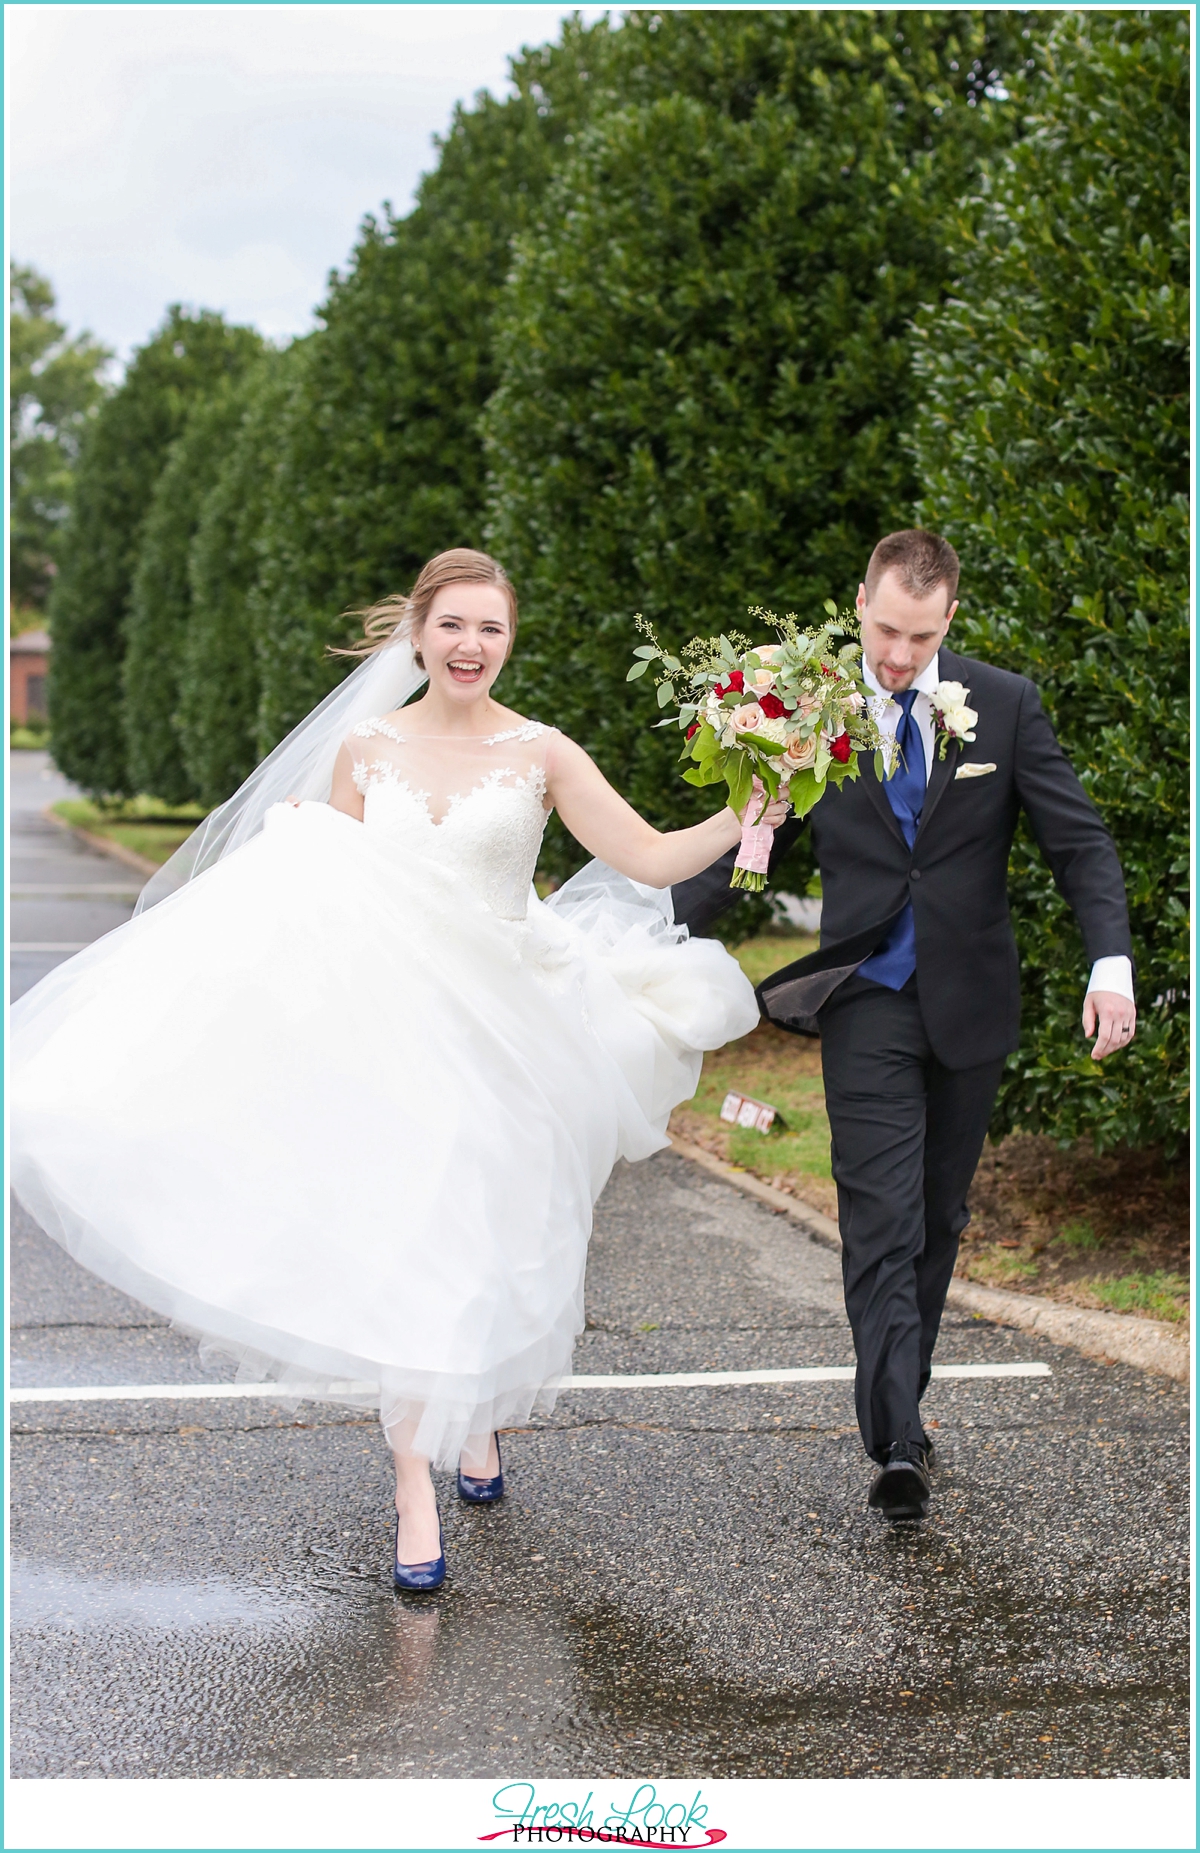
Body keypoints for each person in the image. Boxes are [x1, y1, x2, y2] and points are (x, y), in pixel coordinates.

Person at [11, 548, 786, 1589]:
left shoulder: (542, 751)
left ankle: (480, 1421)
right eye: (454, 625)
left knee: (494, 1238)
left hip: (513, 1025)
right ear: (417, 632)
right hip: (396, 1035)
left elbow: (646, 857)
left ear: (511, 640)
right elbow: (320, 892)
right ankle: (412, 1483)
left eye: (492, 629)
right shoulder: (364, 748)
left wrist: (753, 810)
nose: (472, 647)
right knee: (410, 1237)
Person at [672, 530, 1134, 1521]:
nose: (897, 653)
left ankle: (904, 1405)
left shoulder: (1005, 705)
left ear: (949, 620)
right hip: (866, 1000)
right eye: (885, 629)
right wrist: (649, 935)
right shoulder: (811, 711)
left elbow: (1080, 840)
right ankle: (894, 1438)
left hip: (971, 1005)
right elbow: (748, 847)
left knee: (938, 1219)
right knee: (879, 1217)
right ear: (860, 603)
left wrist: (1111, 961)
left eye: (920, 637)